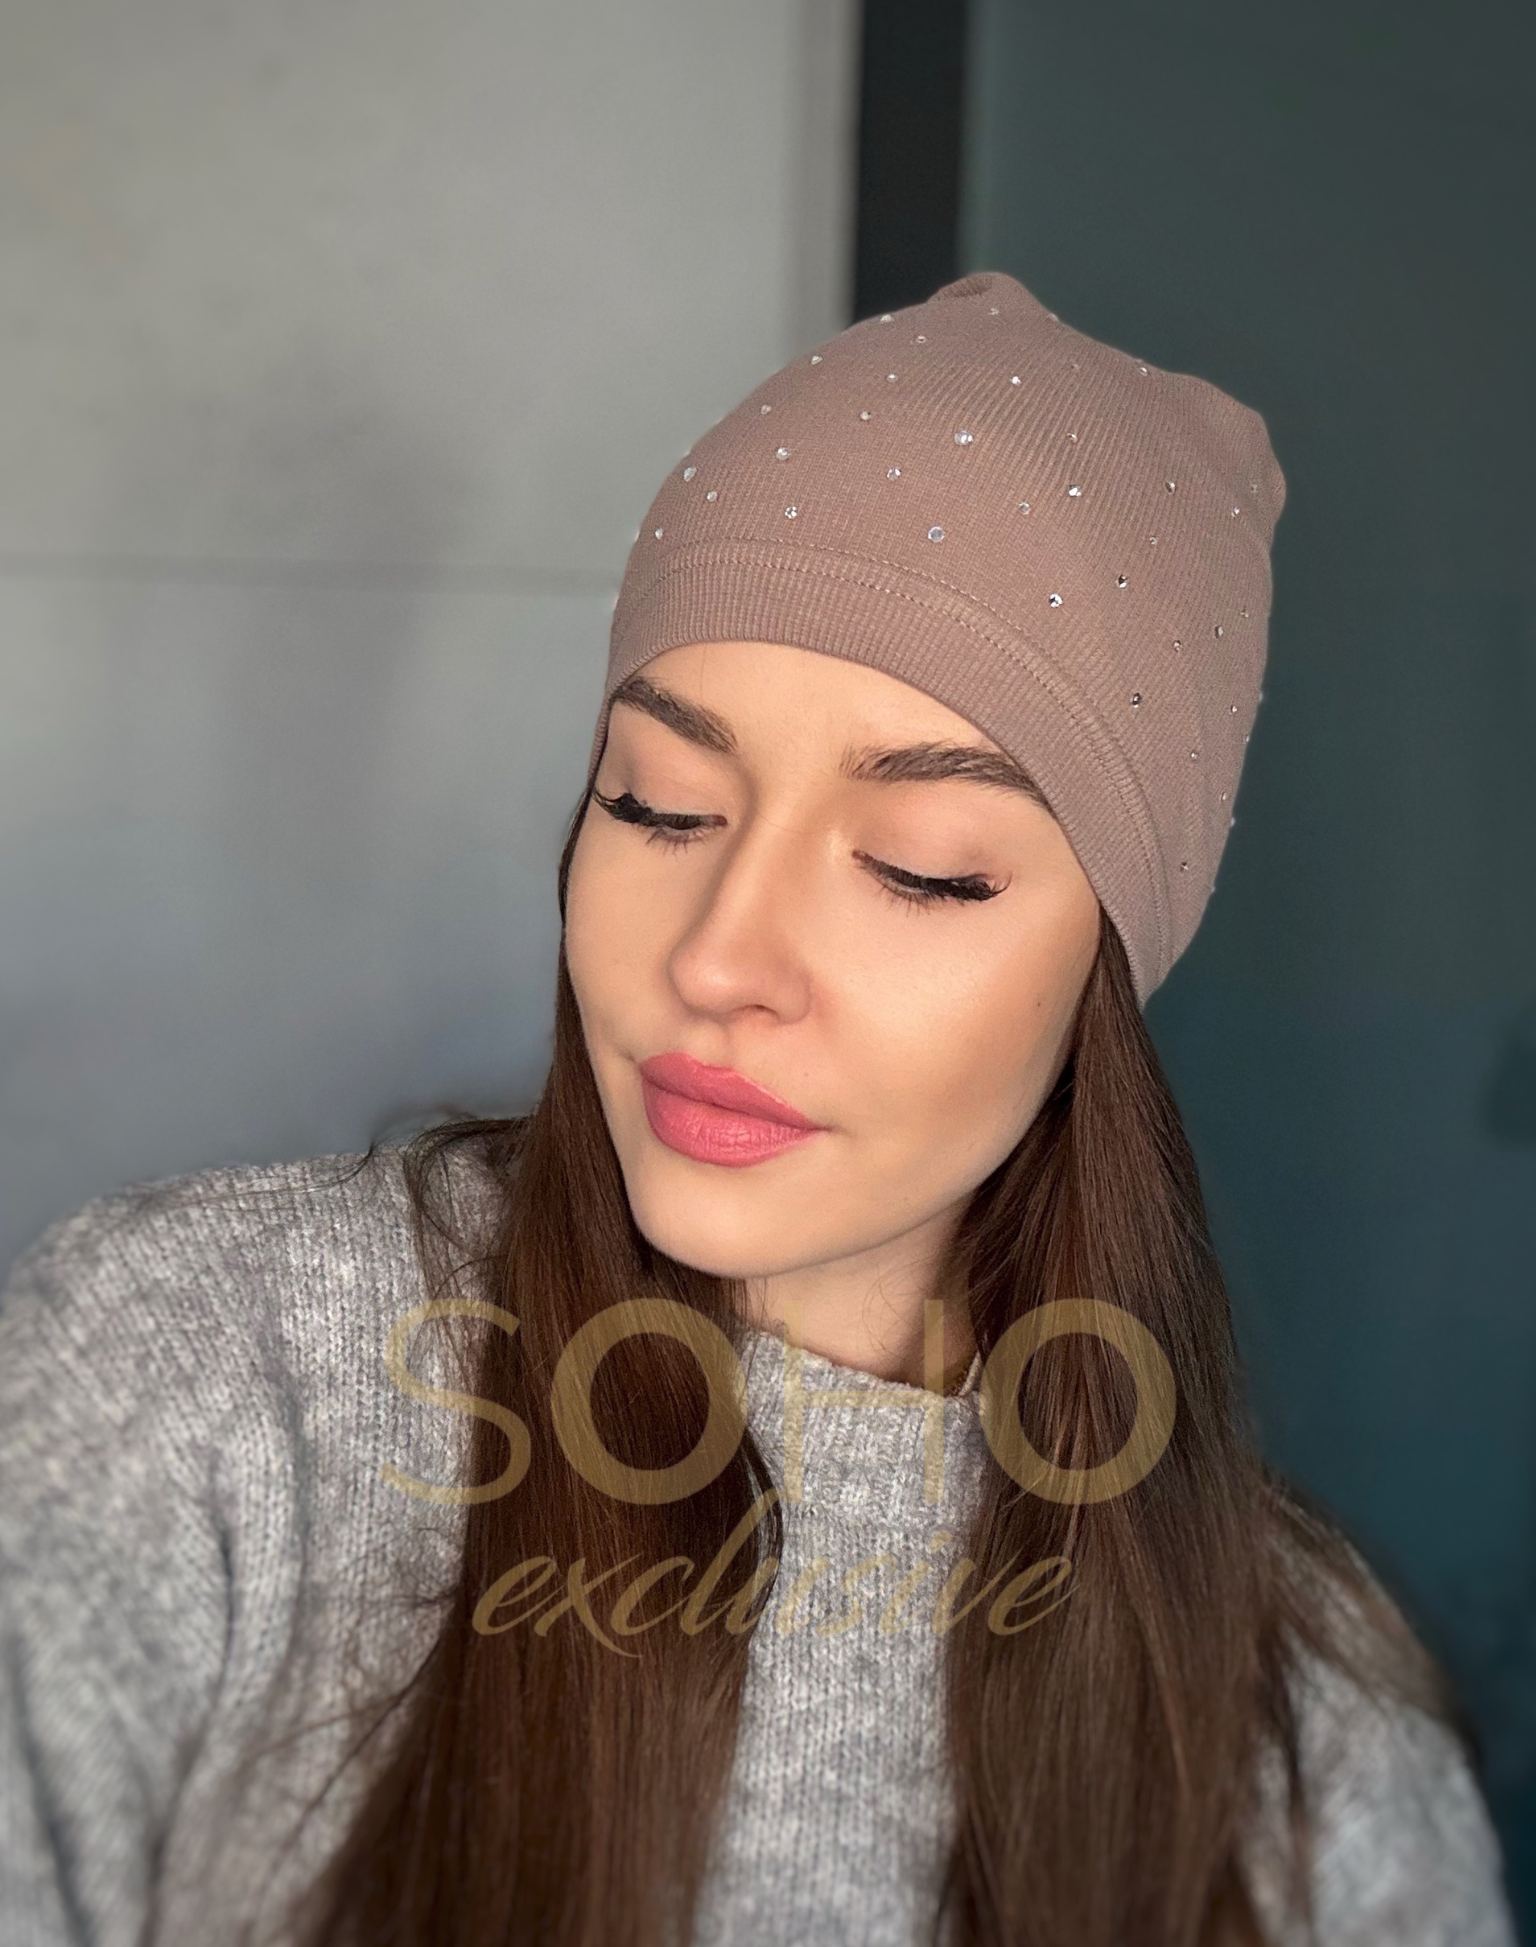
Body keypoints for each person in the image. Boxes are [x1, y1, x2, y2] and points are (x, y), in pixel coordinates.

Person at [0, 272, 1516, 1947]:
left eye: (919, 868)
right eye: (659, 804)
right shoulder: (200, 1385)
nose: (718, 959)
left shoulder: (1306, 1740)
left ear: (1108, 958)